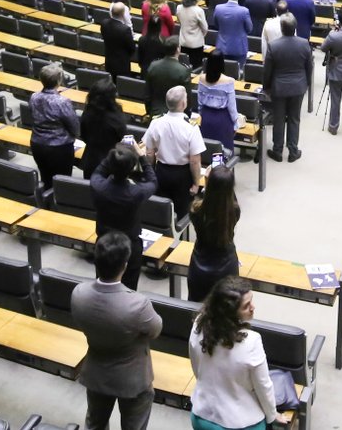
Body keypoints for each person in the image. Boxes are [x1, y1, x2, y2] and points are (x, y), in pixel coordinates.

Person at [72, 231, 162, 430]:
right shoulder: (138, 304)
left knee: (95, 424)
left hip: (96, 372)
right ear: (124, 266)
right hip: (133, 379)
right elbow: (155, 330)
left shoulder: (79, 293)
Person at [189, 277, 288, 429]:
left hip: (202, 415)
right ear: (229, 313)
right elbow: (263, 386)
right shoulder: (251, 341)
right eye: (246, 306)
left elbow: (197, 368)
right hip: (241, 423)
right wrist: (272, 414)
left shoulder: (198, 324)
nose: (253, 307)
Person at [92, 143, 159, 290]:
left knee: (102, 285)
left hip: (103, 244)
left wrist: (115, 154)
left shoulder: (97, 185)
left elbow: (99, 170)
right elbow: (152, 180)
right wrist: (141, 156)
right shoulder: (136, 193)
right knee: (128, 290)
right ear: (131, 168)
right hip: (129, 247)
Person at [142, 86, 205, 216]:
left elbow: (149, 153)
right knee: (182, 212)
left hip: (161, 172)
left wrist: (151, 173)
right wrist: (196, 183)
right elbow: (194, 160)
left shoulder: (156, 123)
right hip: (182, 175)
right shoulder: (191, 127)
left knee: (162, 210)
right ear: (183, 104)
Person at [188, 165, 241, 302]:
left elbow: (202, 199)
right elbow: (230, 199)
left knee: (197, 309)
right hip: (227, 267)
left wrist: (207, 183)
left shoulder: (196, 211)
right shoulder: (234, 212)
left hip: (200, 265)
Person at [264, 14, 311, 162]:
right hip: (298, 86)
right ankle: (293, 151)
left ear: (282, 28)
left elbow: (268, 70)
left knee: (278, 119)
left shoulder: (274, 45)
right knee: (294, 119)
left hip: (279, 88)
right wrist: (307, 83)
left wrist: (266, 87)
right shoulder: (304, 44)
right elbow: (309, 67)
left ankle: (277, 150)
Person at [29, 62, 81, 189]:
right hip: (59, 148)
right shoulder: (62, 102)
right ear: (59, 81)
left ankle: (46, 204)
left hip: (37, 144)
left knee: (46, 178)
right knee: (62, 182)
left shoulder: (34, 97)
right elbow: (74, 126)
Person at [80, 82, 129, 177]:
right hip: (112, 162)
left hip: (91, 160)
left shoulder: (88, 111)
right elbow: (123, 138)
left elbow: (83, 135)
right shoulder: (116, 117)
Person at [197, 53, 241, 151]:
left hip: (206, 117)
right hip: (223, 119)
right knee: (224, 151)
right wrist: (235, 123)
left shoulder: (201, 78)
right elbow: (232, 106)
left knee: (207, 149)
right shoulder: (229, 81)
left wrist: (202, 115)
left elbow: (199, 101)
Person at [144, 36, 193, 118]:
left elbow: (147, 95)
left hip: (155, 113)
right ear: (178, 49)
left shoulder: (153, 66)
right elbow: (187, 98)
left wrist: (150, 112)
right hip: (175, 115)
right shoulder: (183, 71)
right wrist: (187, 116)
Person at [215, 0, 253, 66]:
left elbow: (216, 24)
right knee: (238, 73)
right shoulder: (244, 11)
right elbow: (249, 28)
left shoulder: (218, 8)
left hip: (222, 46)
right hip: (239, 48)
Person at [98, 2, 137, 77]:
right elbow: (132, 48)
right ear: (123, 14)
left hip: (109, 61)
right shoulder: (125, 29)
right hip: (122, 65)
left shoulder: (104, 23)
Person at [177, 0, 209, 69]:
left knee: (184, 66)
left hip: (183, 41)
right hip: (196, 44)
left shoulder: (179, 8)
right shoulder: (198, 11)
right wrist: (201, 36)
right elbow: (205, 28)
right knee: (196, 68)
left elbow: (179, 21)